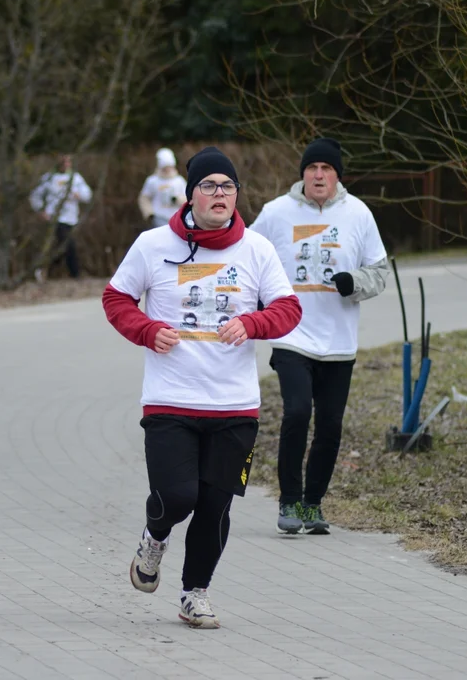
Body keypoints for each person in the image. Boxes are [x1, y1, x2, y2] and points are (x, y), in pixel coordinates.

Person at [102, 146, 302, 628]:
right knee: (178, 496)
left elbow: (289, 308)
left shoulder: (256, 249)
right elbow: (116, 298)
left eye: (228, 186)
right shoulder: (152, 245)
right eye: (209, 185)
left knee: (214, 506)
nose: (219, 194)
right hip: (171, 400)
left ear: (237, 196)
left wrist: (253, 323)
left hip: (235, 406)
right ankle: (155, 537)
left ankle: (195, 593)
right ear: (189, 195)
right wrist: (148, 331)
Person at [250, 137, 388, 535]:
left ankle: (313, 504)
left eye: (326, 168)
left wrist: (353, 282)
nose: (319, 174)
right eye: (312, 168)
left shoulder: (358, 213)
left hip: (339, 342)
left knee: (330, 425)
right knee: (296, 413)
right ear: (303, 175)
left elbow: (379, 272)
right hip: (292, 334)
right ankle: (289, 500)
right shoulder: (277, 212)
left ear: (337, 175)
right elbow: (247, 255)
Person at [29, 154, 92, 280]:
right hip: (54, 218)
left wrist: (78, 195)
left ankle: (46, 270)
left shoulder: (75, 178)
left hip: (71, 217)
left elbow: (87, 195)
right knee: (68, 244)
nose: (66, 165)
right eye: (64, 162)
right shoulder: (48, 178)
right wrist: (41, 211)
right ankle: (75, 274)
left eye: (69, 162)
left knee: (61, 247)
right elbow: (35, 196)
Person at [137, 148, 188, 229]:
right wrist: (149, 214)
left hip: (177, 220)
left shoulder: (179, 181)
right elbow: (144, 198)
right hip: (158, 219)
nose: (167, 169)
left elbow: (188, 198)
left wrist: (177, 199)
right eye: (165, 167)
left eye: (169, 166)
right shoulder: (152, 181)